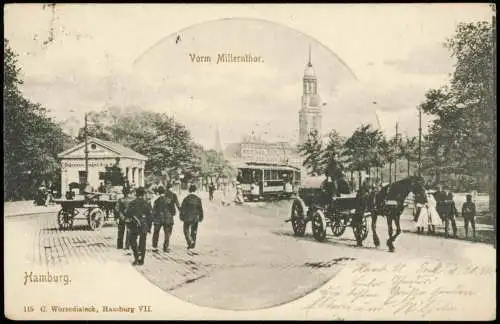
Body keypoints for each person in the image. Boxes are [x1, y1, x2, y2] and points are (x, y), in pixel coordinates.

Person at [125, 187, 152, 265]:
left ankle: (136, 256)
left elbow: (128, 214)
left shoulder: (132, 203)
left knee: (132, 240)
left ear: (136, 194)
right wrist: (149, 227)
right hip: (144, 225)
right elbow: (150, 217)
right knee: (143, 242)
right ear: (143, 194)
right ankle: (141, 260)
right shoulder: (147, 203)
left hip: (134, 224)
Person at [152, 185, 179, 252]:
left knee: (156, 232)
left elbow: (154, 211)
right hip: (167, 218)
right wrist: (172, 214)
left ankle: (155, 247)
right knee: (167, 233)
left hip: (158, 218)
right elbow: (173, 210)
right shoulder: (168, 200)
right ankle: (165, 247)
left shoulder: (156, 201)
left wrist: (153, 218)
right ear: (164, 192)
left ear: (158, 192)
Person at [180, 185, 204, 249]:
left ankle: (189, 241)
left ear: (189, 190)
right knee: (194, 231)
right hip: (195, 217)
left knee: (186, 230)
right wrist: (201, 217)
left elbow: (182, 208)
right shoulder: (198, 199)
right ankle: (193, 244)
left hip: (187, 217)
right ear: (195, 190)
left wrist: (181, 216)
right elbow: (200, 209)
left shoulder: (186, 199)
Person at [353, 178, 371, 247]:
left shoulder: (367, 191)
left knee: (359, 225)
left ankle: (359, 240)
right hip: (359, 210)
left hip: (362, 209)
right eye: (367, 183)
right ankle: (358, 240)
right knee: (358, 225)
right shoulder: (361, 191)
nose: (368, 185)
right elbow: (359, 201)